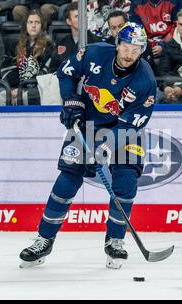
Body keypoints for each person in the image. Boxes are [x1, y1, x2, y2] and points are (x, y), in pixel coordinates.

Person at [19, 22, 157, 269]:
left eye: (137, 49)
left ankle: (115, 241)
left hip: (125, 131)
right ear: (118, 44)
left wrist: (103, 151)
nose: (130, 54)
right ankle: (44, 239)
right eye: (126, 47)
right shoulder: (93, 53)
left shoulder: (145, 80)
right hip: (88, 124)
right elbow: (66, 73)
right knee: (67, 180)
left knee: (126, 181)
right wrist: (72, 101)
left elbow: (129, 126)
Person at [0, 9, 53, 106]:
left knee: (25, 99)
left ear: (42, 26)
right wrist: (16, 89)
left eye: (37, 22)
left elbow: (45, 74)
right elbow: (6, 68)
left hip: (37, 89)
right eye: (30, 22)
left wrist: (23, 89)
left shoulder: (49, 46)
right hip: (15, 88)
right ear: (26, 25)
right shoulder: (15, 44)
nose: (33, 25)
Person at [48, 1, 103, 73]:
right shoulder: (61, 43)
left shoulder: (98, 43)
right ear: (69, 21)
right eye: (77, 16)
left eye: (84, 16)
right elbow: (53, 69)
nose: (82, 19)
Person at [105, 10, 157, 74]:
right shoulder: (106, 45)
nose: (118, 31)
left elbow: (148, 69)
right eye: (113, 28)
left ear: (128, 25)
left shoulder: (141, 42)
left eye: (121, 26)